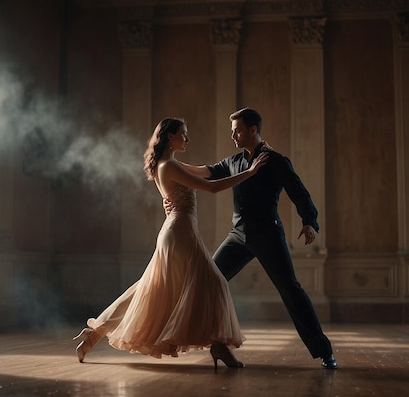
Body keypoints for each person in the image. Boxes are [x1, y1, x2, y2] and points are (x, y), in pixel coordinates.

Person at [73, 117, 268, 368]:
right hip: (179, 232)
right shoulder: (168, 166)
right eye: (183, 134)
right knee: (215, 283)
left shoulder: (171, 164)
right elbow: (211, 188)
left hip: (179, 231)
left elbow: (206, 171)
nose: (187, 138)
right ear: (169, 137)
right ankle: (219, 346)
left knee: (149, 289)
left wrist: (237, 165)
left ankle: (93, 335)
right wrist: (250, 173)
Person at [171, 107, 337, 369]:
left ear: (252, 130)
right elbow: (207, 171)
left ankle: (324, 352)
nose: (233, 135)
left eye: (237, 130)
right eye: (232, 130)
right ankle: (217, 344)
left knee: (291, 290)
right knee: (207, 279)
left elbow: (300, 193)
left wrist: (309, 222)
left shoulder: (276, 161)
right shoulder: (233, 162)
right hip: (237, 236)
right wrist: (173, 165)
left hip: (268, 235)